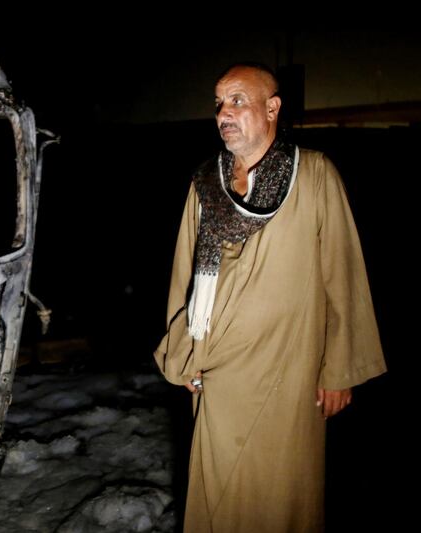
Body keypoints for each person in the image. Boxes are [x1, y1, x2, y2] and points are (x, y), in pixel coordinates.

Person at [154, 63, 387, 532]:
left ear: (272, 108)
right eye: (219, 102)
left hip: (289, 372)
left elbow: (343, 274)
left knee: (283, 496)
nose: (225, 112)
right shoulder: (205, 184)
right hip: (216, 368)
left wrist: (340, 368)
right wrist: (183, 353)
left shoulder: (315, 173)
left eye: (238, 100)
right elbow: (186, 278)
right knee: (219, 496)